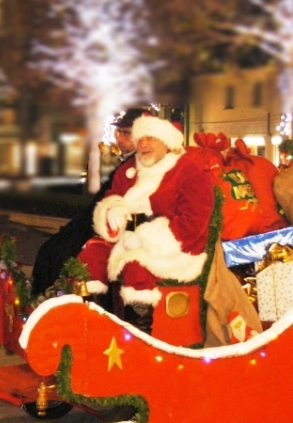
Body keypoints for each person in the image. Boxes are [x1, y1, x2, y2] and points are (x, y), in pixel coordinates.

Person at [77, 114, 214, 308]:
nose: (143, 144)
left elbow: (193, 222)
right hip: (125, 236)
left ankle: (140, 325)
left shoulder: (188, 170)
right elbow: (111, 196)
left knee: (135, 266)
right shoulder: (129, 169)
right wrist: (113, 209)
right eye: (140, 138)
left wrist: (145, 239)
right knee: (91, 256)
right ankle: (90, 313)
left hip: (170, 246)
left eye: (150, 138)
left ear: (166, 142)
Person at [30, 107, 147, 296]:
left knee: (57, 253)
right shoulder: (128, 163)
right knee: (53, 249)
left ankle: (54, 300)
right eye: (119, 132)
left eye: (126, 133)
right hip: (100, 221)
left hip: (115, 229)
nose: (120, 139)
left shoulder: (139, 164)